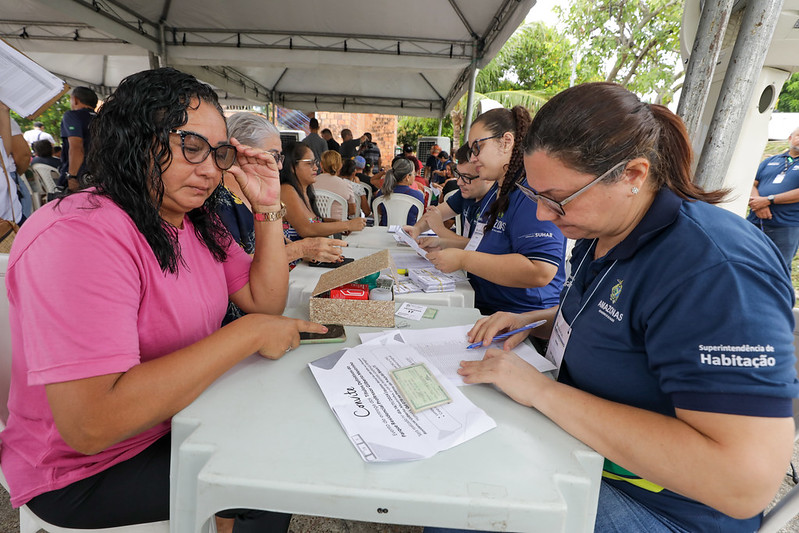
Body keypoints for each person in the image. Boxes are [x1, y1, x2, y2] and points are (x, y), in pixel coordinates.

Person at [434, 82, 799, 533]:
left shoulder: (715, 271)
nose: (545, 217)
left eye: (558, 199)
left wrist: (542, 392)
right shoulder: (604, 228)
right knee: (446, 478)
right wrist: (536, 320)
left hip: (664, 508)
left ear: (632, 175)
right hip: (583, 448)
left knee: (463, 507)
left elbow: (743, 482)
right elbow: (618, 322)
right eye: (535, 196)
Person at [2, 68, 328, 531]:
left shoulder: (193, 220)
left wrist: (268, 206)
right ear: (135, 137)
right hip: (85, 470)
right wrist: (247, 333)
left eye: (219, 154)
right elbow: (91, 424)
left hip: (175, 419)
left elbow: (265, 299)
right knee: (269, 474)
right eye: (191, 147)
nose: (211, 168)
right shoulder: (79, 234)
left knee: (289, 429)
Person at [425, 107, 566, 316]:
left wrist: (463, 259)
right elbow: (481, 245)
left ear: (506, 142)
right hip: (483, 306)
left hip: (518, 319)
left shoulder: (530, 193)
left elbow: (540, 270)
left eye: (477, 147)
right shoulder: (497, 191)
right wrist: (444, 244)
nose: (472, 158)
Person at [216, 112, 348, 323]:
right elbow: (235, 271)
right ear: (239, 152)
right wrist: (299, 249)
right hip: (241, 324)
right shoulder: (219, 206)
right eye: (273, 155)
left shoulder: (251, 198)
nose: (278, 166)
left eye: (279, 157)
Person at [280, 141, 366, 242]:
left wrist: (337, 223)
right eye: (310, 163)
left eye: (315, 163)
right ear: (292, 167)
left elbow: (314, 222)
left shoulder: (305, 190)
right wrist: (347, 225)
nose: (316, 168)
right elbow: (306, 229)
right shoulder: (287, 190)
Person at [747, 125, 799, 270]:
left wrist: (768, 200)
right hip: (755, 220)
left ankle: (780, 293)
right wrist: (757, 204)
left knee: (778, 268)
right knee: (747, 262)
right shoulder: (771, 161)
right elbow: (752, 183)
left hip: (786, 225)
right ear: (790, 138)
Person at [58, 86, 97, 191]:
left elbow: (76, 146)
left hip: (80, 175)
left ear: (75, 99)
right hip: (100, 175)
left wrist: (72, 176)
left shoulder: (72, 116)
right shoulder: (102, 118)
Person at [0, 101, 31, 223]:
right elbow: (23, 155)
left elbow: (4, 154)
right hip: (10, 216)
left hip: (11, 216)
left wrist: (3, 111)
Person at [372, 157, 425, 226]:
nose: (414, 176)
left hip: (384, 231)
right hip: (409, 233)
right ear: (407, 177)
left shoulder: (382, 193)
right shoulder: (418, 195)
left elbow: (379, 212)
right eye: (413, 174)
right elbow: (418, 215)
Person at [313, 149, 357, 220]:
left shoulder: (311, 183)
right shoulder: (346, 185)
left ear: (321, 165)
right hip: (339, 227)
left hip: (317, 226)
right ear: (340, 166)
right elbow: (352, 211)